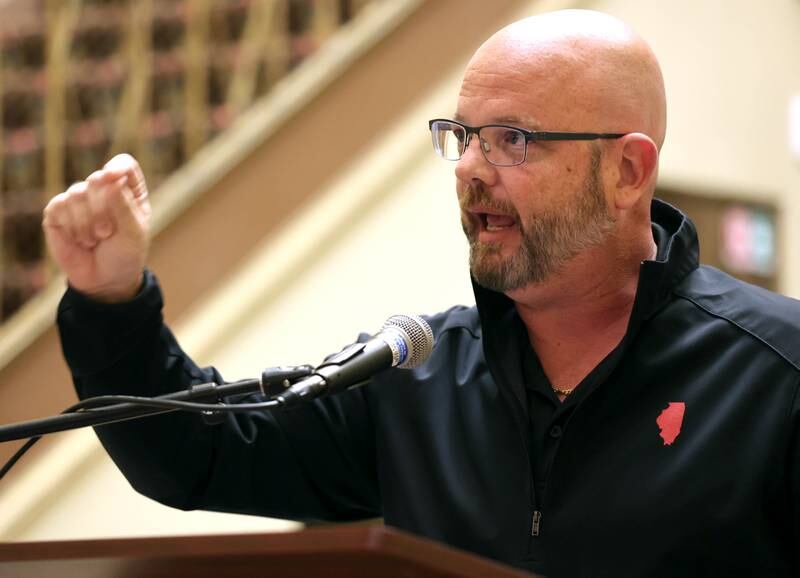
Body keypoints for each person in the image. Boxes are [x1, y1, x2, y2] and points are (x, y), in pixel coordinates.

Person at [43, 9, 800, 578]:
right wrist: (113, 299)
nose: (470, 168)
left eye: (513, 139)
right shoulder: (417, 374)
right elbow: (196, 453)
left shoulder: (776, 374)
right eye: (461, 135)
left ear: (628, 173)